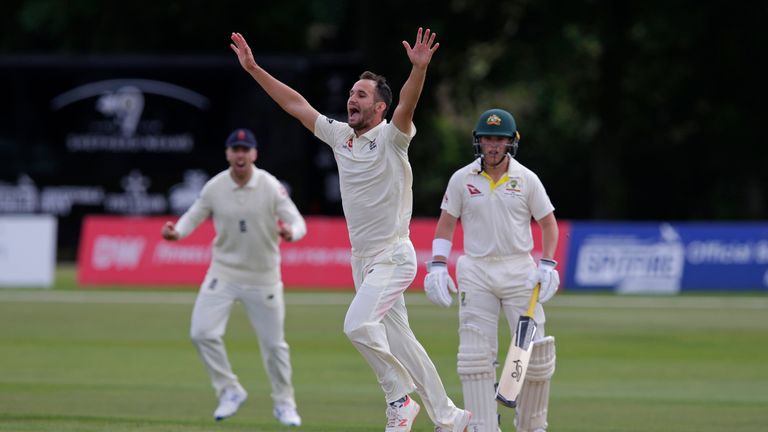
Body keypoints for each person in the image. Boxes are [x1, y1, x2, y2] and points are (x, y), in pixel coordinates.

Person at [230, 28, 472, 432]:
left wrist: (419, 70)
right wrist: (254, 69)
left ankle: (399, 399)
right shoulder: (341, 137)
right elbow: (296, 105)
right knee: (404, 346)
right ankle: (452, 418)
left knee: (357, 325)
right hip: (362, 262)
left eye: (361, 96)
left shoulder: (392, 138)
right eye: (351, 94)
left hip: (394, 256)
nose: (351, 100)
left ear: (379, 108)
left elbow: (407, 107)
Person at [423, 109, 559, 432]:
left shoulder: (527, 179)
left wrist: (548, 263)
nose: (493, 146)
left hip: (518, 270)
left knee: (535, 353)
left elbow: (549, 225)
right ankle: (483, 425)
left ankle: (532, 425)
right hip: (476, 272)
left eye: (499, 139)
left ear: (511, 143)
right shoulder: (462, 179)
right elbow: (446, 224)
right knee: (474, 354)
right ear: (478, 142)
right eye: (487, 139)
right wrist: (438, 266)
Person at [160, 128, 306, 426]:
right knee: (202, 333)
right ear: (228, 154)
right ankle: (229, 390)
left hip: (263, 276)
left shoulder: (269, 185)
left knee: (274, 345)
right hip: (223, 273)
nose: (240, 154)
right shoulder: (215, 187)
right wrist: (177, 232)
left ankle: (284, 403)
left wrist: (292, 233)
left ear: (254, 154)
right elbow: (193, 215)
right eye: (235, 149)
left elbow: (296, 219)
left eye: (245, 149)